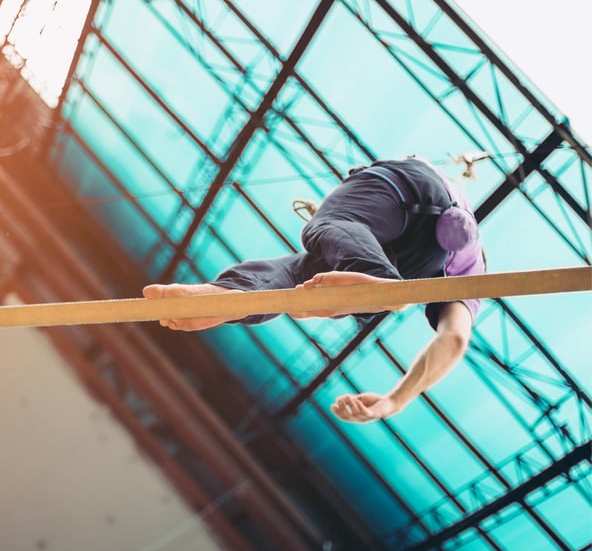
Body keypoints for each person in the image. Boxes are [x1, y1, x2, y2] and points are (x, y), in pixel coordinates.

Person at [143, 156, 486, 424]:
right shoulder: (472, 265)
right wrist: (394, 401)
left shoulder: (421, 168)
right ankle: (234, 297)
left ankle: (232, 291)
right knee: (310, 278)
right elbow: (455, 338)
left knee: (322, 235)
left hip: (407, 187)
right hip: (429, 259)